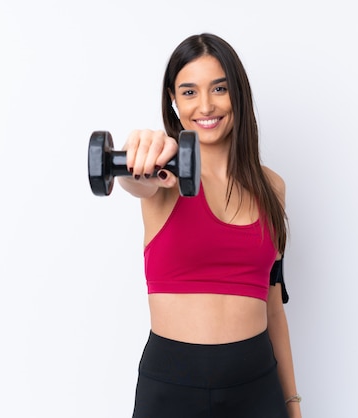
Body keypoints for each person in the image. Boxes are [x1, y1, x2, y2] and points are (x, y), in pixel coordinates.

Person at [117, 33, 302, 418]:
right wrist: (136, 159)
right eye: (189, 92)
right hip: (171, 387)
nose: (205, 105)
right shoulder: (162, 176)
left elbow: (273, 309)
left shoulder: (273, 187)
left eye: (219, 88)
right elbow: (136, 183)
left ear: (238, 92)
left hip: (257, 387)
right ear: (173, 99)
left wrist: (292, 403)